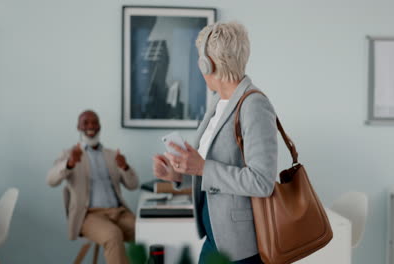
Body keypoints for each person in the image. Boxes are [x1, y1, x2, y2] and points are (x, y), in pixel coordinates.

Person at [152, 22, 278, 264]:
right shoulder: (218, 102)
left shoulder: (254, 105)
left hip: (240, 246)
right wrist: (178, 174)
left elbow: (262, 182)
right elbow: (212, 173)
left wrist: (202, 168)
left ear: (207, 63)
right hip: (215, 235)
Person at [47, 110, 139, 264]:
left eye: (94, 122)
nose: (91, 126)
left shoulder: (111, 155)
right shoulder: (70, 154)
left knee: (149, 230)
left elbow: (133, 185)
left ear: (100, 126)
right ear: (78, 127)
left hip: (119, 212)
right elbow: (51, 180)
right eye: (86, 122)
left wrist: (124, 166)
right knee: (113, 235)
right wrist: (69, 164)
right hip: (89, 216)